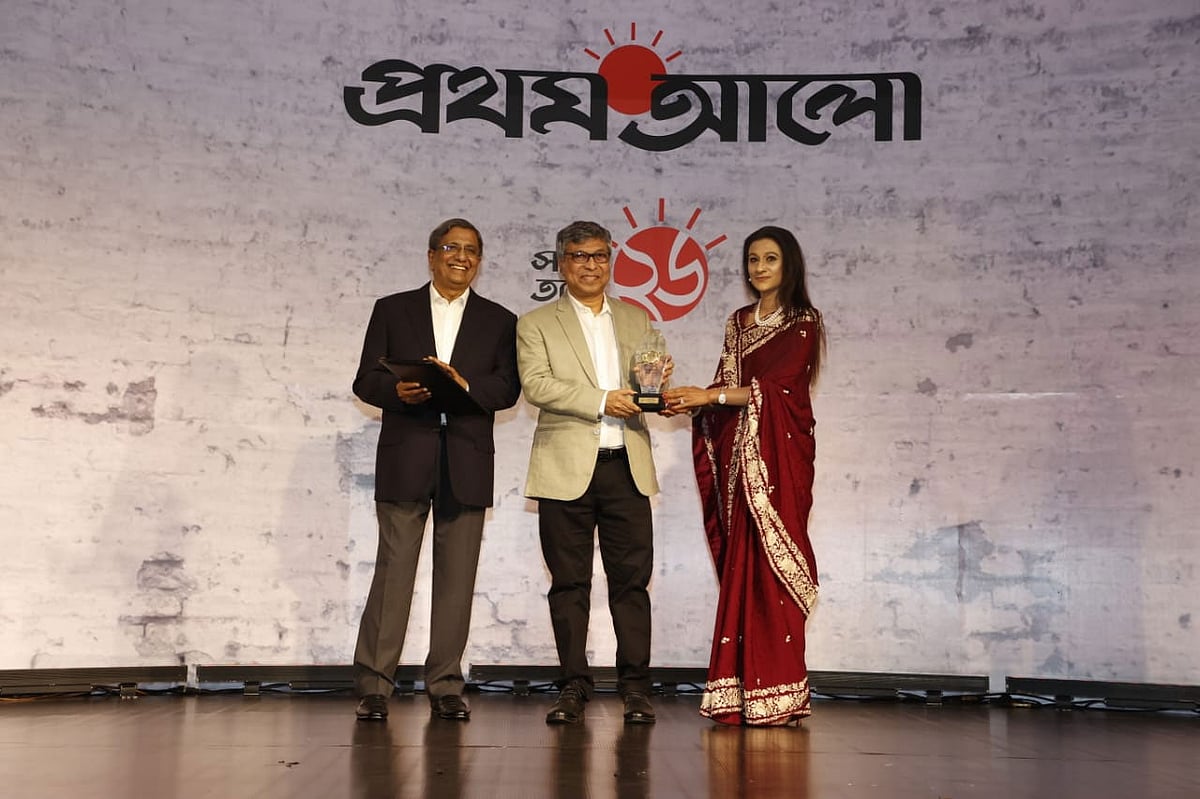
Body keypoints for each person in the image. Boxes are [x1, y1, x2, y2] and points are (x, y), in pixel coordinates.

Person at [351, 218, 521, 722]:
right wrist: (396, 392)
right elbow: (365, 380)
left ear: (479, 261)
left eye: (471, 250)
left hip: (467, 460)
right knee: (393, 573)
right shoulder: (392, 309)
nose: (461, 257)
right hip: (407, 454)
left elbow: (507, 389)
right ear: (431, 256)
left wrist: (464, 386)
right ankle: (375, 685)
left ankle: (446, 683)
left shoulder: (499, 320)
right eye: (451, 247)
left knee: (457, 579)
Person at [662, 225, 825, 726]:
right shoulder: (737, 322)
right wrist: (687, 397)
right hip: (740, 466)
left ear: (788, 265)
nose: (759, 268)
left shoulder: (803, 322)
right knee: (743, 570)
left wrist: (708, 396)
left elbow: (776, 390)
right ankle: (739, 693)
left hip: (778, 462)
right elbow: (727, 387)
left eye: (770, 259)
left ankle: (779, 692)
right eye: (753, 260)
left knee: (773, 570)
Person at [516, 220, 666, 726]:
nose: (591, 265)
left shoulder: (637, 318)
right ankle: (573, 686)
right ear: (562, 264)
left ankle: (636, 689)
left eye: (600, 256)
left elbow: (648, 383)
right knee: (569, 584)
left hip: (627, 467)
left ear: (611, 261)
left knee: (631, 584)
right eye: (580, 257)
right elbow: (537, 385)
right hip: (565, 470)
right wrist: (604, 400)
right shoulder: (536, 323)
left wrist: (656, 386)